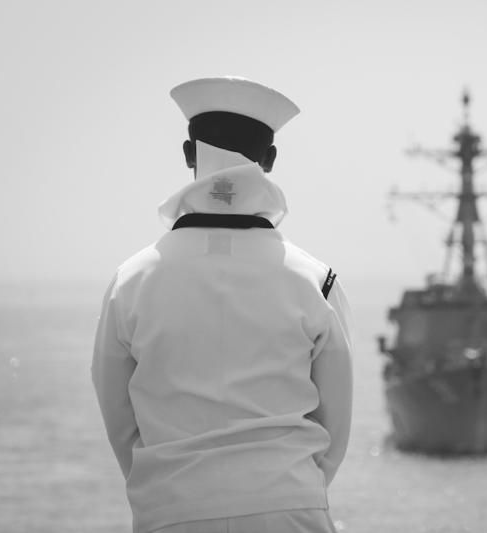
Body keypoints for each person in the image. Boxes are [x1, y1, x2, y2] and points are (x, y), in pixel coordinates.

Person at [91, 76, 353, 533]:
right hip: (290, 508)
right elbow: (336, 424)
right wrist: (292, 489)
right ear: (270, 160)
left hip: (170, 511)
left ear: (188, 154)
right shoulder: (317, 282)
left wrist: (166, 488)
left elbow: (118, 415)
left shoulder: (129, 281)